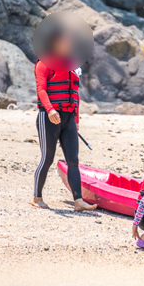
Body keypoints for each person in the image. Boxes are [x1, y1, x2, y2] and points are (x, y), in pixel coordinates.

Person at [32, 26, 97, 212]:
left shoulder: (72, 65)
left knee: (73, 160)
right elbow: (41, 90)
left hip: (68, 118)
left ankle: (78, 201)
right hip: (49, 117)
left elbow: (74, 95)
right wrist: (51, 110)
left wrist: (76, 121)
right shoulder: (44, 63)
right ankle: (37, 197)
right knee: (47, 158)